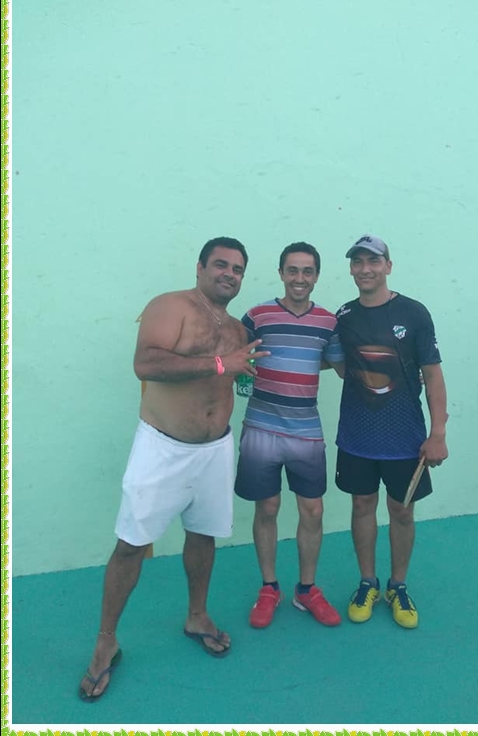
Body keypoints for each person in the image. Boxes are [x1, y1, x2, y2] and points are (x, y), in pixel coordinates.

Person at [78, 236, 270, 702]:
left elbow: (234, 379)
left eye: (238, 269)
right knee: (130, 546)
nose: (229, 274)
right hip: (162, 447)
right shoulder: (171, 306)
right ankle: (106, 642)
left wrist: (246, 373)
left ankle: (197, 616)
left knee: (203, 536)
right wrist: (222, 364)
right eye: (221, 264)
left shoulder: (238, 331)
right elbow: (146, 363)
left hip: (215, 449)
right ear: (200, 267)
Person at [335, 234, 448, 629]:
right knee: (361, 506)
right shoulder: (344, 316)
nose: (365, 269)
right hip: (357, 435)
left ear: (388, 266)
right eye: (358, 262)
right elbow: (339, 363)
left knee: (401, 510)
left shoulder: (414, 313)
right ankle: (367, 583)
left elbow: (433, 375)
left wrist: (438, 433)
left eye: (373, 261)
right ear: (351, 268)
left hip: (405, 437)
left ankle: (398, 586)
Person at [234, 242, 345, 628]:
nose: (300, 278)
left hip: (306, 431)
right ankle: (269, 588)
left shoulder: (329, 323)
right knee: (266, 508)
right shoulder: (257, 316)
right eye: (293, 270)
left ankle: (306, 590)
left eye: (307, 271)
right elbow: (234, 358)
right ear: (281, 273)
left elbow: (339, 365)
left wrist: (403, 374)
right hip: (261, 427)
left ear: (316, 276)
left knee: (313, 510)